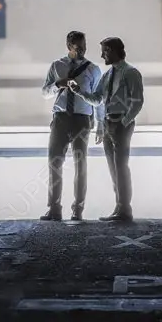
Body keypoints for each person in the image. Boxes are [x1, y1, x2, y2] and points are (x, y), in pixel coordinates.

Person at [69, 36, 143, 222]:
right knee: (113, 167)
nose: (102, 55)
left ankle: (125, 209)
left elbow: (137, 102)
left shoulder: (131, 73)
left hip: (121, 124)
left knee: (121, 166)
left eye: (105, 51)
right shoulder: (107, 75)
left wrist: (124, 122)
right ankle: (119, 208)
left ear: (114, 50)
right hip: (109, 123)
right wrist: (79, 92)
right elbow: (97, 99)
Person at [39, 30, 103, 221]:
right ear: (69, 46)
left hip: (82, 120)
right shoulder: (57, 65)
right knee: (54, 163)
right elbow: (45, 93)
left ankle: (78, 209)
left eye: (84, 46)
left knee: (80, 164)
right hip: (60, 118)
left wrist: (100, 124)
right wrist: (58, 84)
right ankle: (54, 208)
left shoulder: (93, 70)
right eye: (78, 47)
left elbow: (99, 99)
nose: (83, 50)